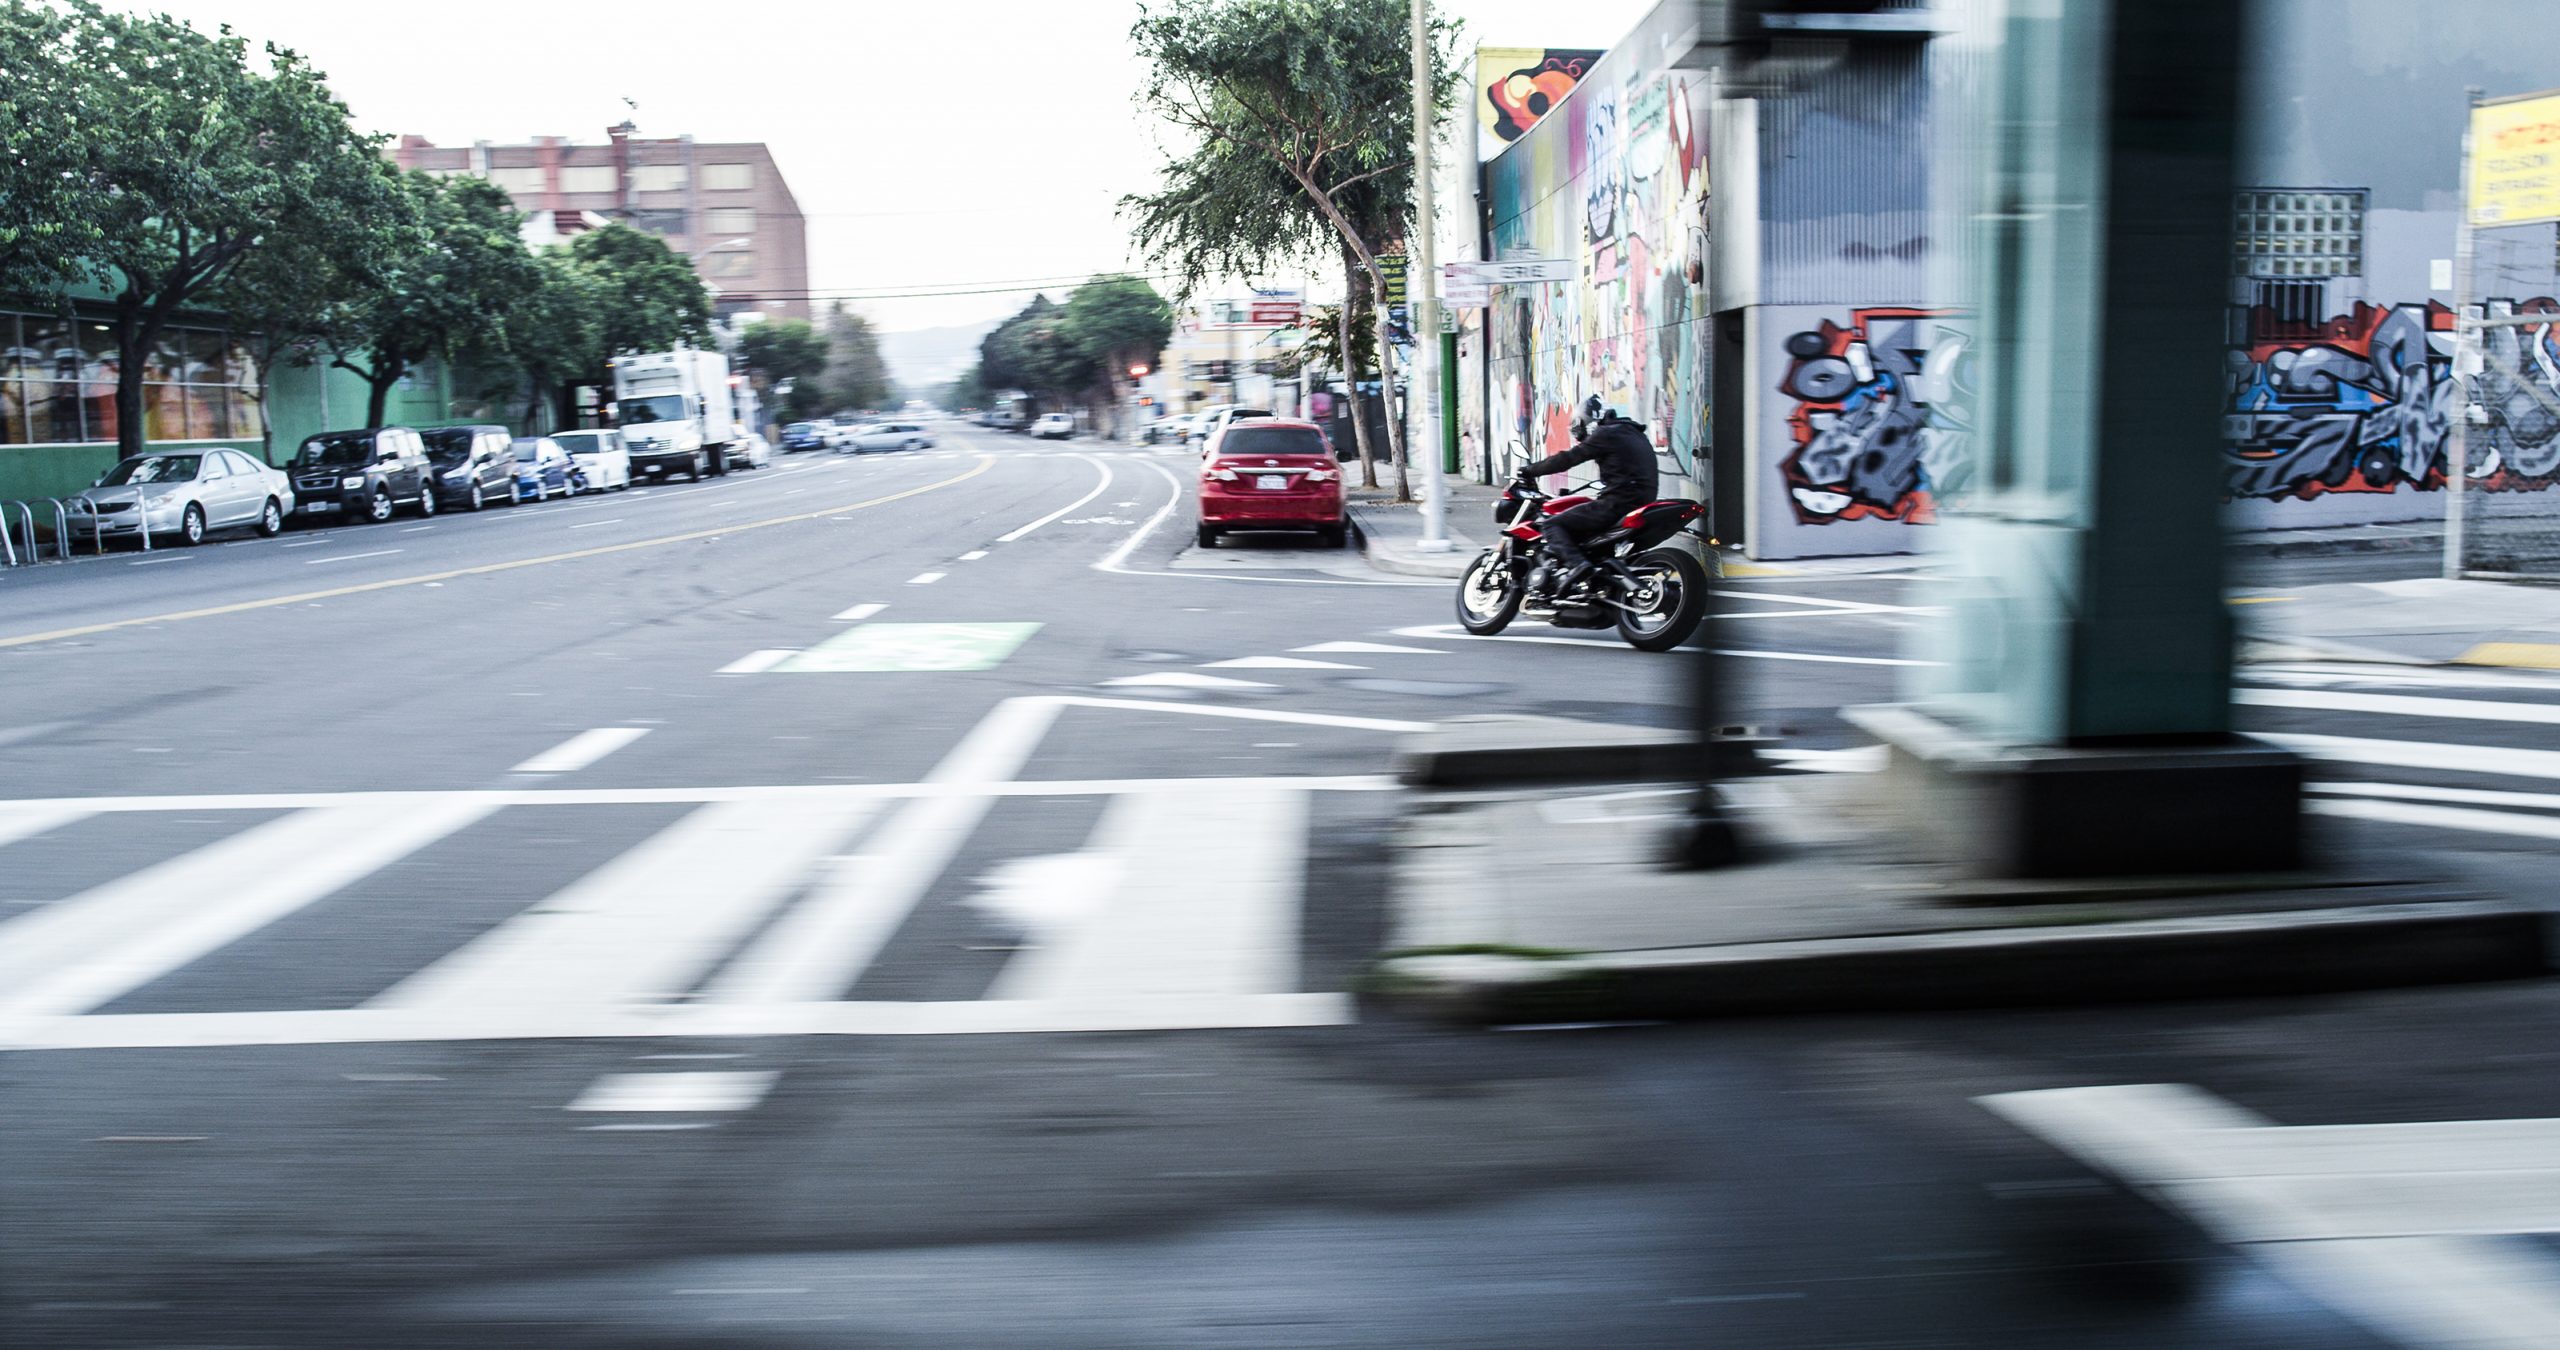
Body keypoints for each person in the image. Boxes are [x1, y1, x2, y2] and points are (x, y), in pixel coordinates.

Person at [1513, 397, 1658, 599]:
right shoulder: (1634, 433)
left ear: (1591, 419)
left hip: (1618, 502)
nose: (1581, 432)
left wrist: (1530, 470)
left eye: (1581, 424)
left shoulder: (1605, 433)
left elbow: (1568, 458)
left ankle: (1579, 567)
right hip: (1642, 500)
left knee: (1552, 525)